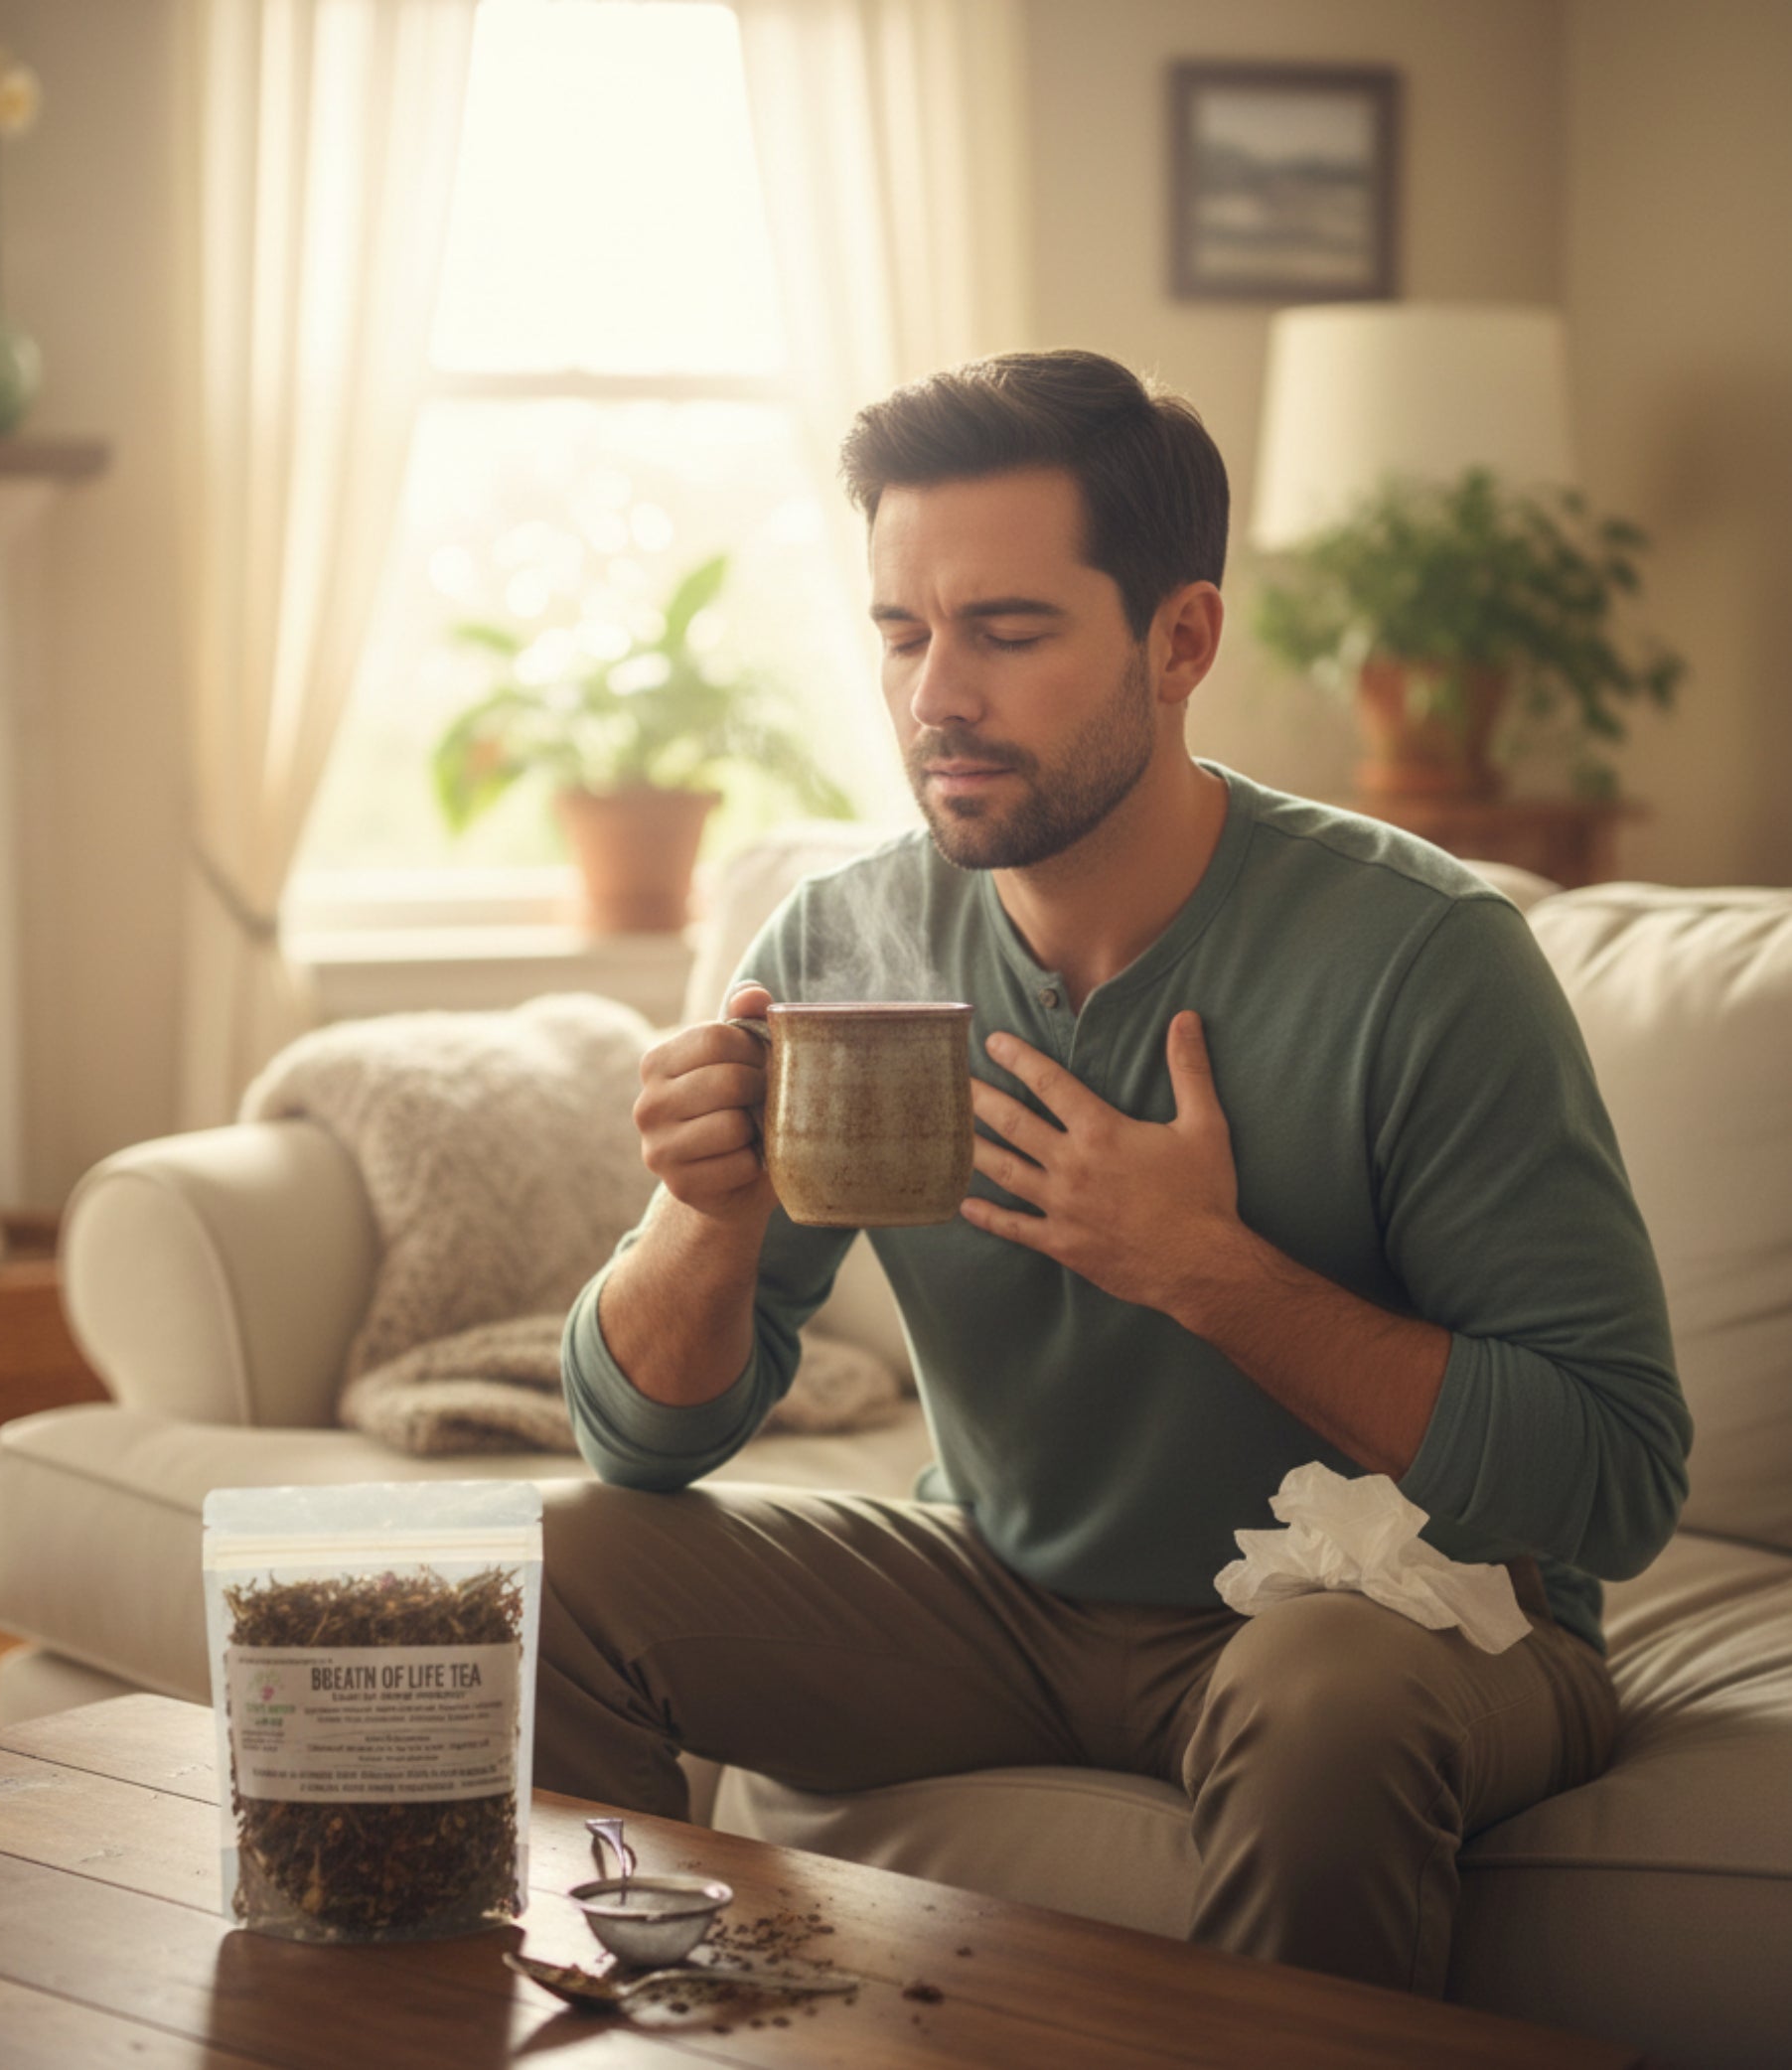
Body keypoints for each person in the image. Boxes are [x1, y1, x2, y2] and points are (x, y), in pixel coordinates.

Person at [538, 349, 1691, 1996]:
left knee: (1325, 1705)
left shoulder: (1422, 957)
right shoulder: (846, 942)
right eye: (902, 631)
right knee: (564, 1559)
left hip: (1402, 1621)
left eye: (1007, 632)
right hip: (1009, 1598)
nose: (940, 694)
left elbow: (1619, 1479)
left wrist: (1207, 1273)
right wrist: (702, 1219)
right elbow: (636, 1444)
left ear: (1182, 640)